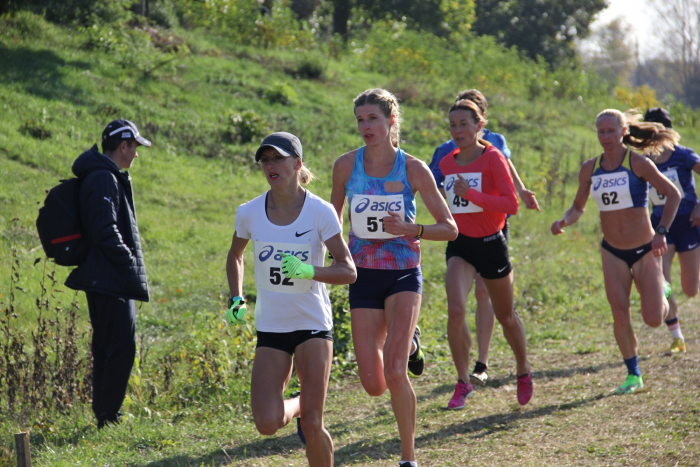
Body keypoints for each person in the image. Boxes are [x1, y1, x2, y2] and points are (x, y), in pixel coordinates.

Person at [331, 88, 458, 467]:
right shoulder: (345, 166)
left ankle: (408, 457)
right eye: (360, 120)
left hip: (403, 274)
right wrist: (325, 259)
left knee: (395, 370)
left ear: (391, 121)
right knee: (373, 383)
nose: (365, 126)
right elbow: (330, 222)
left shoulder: (414, 169)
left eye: (373, 119)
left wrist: (411, 228)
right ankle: (413, 344)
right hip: (362, 275)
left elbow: (449, 228)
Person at [226, 132, 356, 467]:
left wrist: (308, 271)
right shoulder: (249, 212)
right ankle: (300, 402)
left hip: (312, 324)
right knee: (266, 423)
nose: (270, 165)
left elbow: (348, 270)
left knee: (314, 425)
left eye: (278, 158)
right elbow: (235, 257)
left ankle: (309, 409)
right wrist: (236, 299)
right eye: (265, 160)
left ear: (297, 164)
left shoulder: (320, 212)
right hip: (272, 326)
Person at [551, 109, 681, 394]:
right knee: (619, 314)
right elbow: (578, 207)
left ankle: (664, 290)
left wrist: (661, 232)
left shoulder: (638, 163)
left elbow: (673, 194)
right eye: (601, 132)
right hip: (612, 251)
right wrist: (563, 221)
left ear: (624, 132)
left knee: (653, 319)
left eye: (611, 131)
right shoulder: (590, 168)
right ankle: (633, 374)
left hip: (645, 249)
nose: (605, 137)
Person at [428, 89, 540, 387]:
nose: (457, 130)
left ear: (480, 124)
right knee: (455, 309)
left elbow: (511, 202)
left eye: (464, 124)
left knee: (505, 314)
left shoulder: (494, 152)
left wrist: (476, 194)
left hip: (492, 238)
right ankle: (463, 380)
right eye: (453, 125)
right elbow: (431, 186)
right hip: (460, 242)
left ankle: (522, 367)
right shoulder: (445, 159)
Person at [64, 119, 151, 429]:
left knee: (106, 346)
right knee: (121, 347)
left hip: (101, 274)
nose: (137, 154)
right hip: (109, 275)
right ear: (123, 146)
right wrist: (127, 262)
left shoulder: (103, 175)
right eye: (135, 147)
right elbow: (104, 228)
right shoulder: (103, 178)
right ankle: (109, 417)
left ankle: (104, 414)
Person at [644, 107, 700, 356]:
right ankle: (677, 337)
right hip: (661, 229)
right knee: (661, 283)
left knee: (691, 289)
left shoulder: (683, 155)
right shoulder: (643, 160)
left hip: (688, 225)